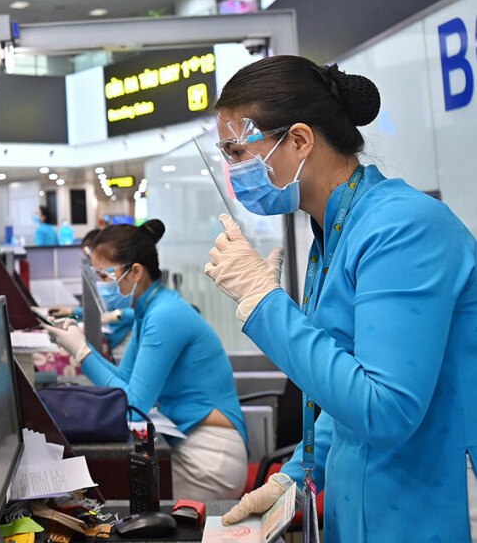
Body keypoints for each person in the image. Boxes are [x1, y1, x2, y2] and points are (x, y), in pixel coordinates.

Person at [204, 55, 477, 542]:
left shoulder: (403, 227)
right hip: (365, 509)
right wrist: (295, 475)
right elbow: (343, 385)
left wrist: (263, 303)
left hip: (430, 509)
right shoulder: (334, 232)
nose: (233, 170)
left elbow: (385, 408)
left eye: (237, 151)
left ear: (300, 140)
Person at [44, 221, 249, 501]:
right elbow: (124, 381)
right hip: (189, 441)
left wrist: (82, 353)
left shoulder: (165, 314)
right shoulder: (149, 310)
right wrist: (80, 345)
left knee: (109, 490)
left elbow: (134, 406)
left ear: (136, 272)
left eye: (105, 276)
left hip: (210, 456)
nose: (100, 285)